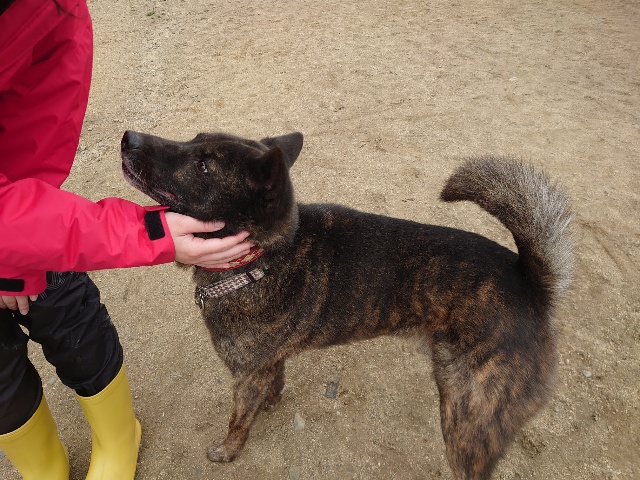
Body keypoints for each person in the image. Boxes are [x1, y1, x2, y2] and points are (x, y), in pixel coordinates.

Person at [0, 0, 251, 478]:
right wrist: (147, 234)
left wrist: (16, 255)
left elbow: (31, 139)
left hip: (16, 213)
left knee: (63, 307)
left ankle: (118, 439)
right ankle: (44, 468)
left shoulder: (49, 14)